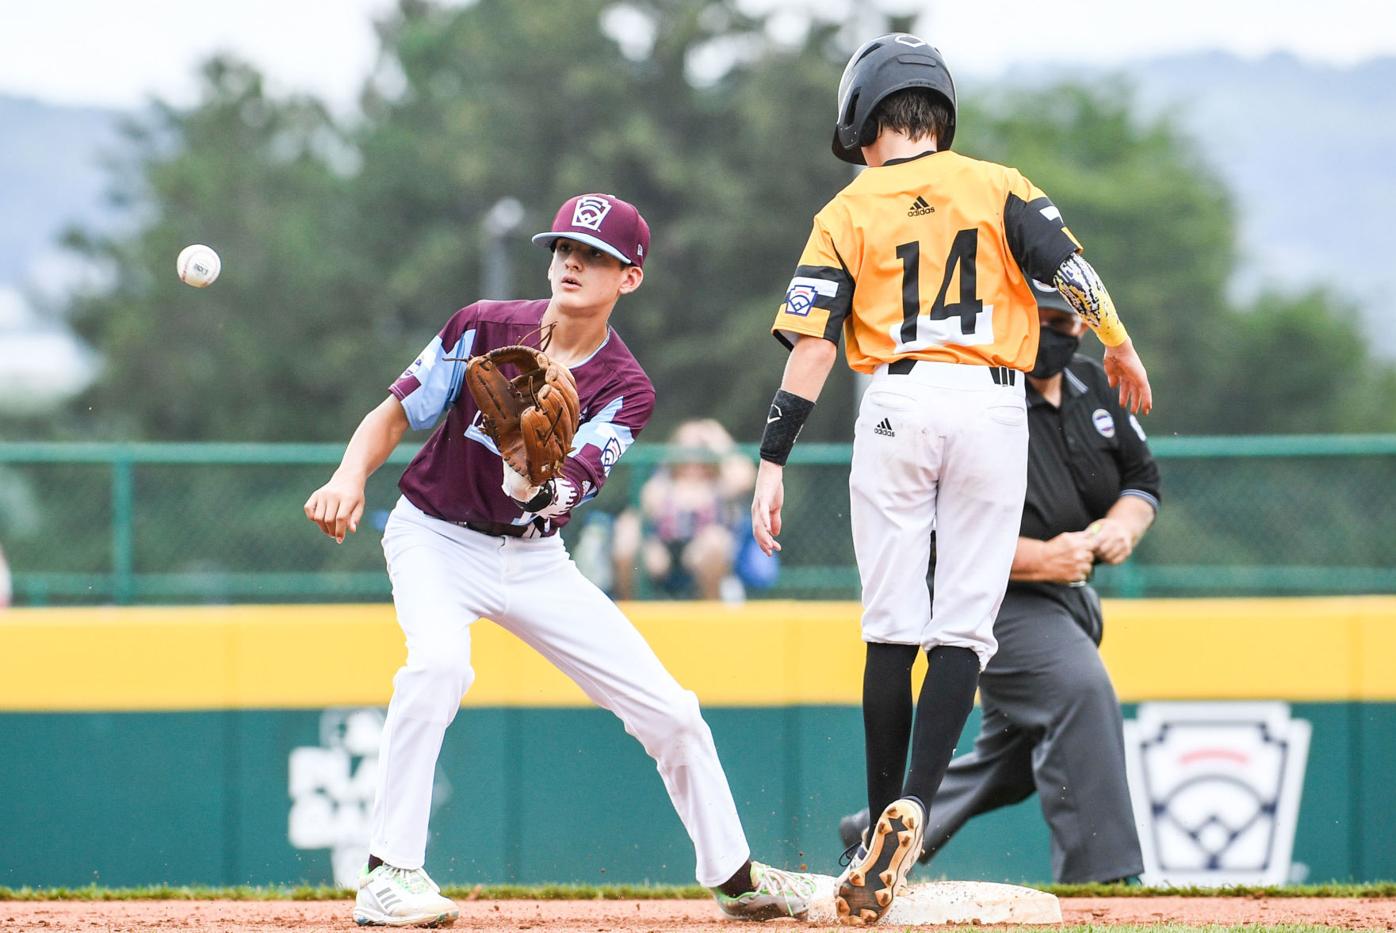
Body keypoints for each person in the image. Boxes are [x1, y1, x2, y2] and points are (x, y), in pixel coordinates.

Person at [305, 193, 815, 927]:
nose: (572, 262)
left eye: (595, 254)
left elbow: (565, 490)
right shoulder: (482, 325)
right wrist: (349, 475)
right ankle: (389, 872)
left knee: (672, 712)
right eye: (564, 249)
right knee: (439, 665)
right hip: (434, 536)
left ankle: (734, 878)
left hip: (536, 557)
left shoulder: (627, 387)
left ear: (629, 277)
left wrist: (528, 471)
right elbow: (395, 412)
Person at [749, 35, 1153, 924]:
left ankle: (873, 834)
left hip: (896, 398)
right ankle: (915, 814)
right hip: (991, 402)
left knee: (891, 624)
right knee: (963, 627)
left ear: (862, 124)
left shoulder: (846, 208)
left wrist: (773, 457)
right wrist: (1119, 344)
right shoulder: (1000, 183)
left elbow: (814, 345)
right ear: (941, 115)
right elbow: (1070, 273)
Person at [837, 279, 1159, 884]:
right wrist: (1040, 557)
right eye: (1038, 319)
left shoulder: (1093, 384)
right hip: (993, 598)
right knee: (1081, 692)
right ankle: (1108, 876)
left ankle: (874, 834)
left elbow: (1142, 480)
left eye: (1063, 323)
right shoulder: (977, 389)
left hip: (1070, 597)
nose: (1049, 334)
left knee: (1010, 760)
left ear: (1083, 328)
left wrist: (1123, 525)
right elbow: (931, 529)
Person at [612, 418, 756, 601]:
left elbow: (745, 477)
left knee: (715, 541)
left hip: (703, 557)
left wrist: (717, 437)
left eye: (698, 448)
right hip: (663, 555)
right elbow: (635, 516)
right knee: (627, 534)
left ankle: (710, 613)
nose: (692, 457)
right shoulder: (662, 483)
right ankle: (628, 609)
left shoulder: (720, 484)